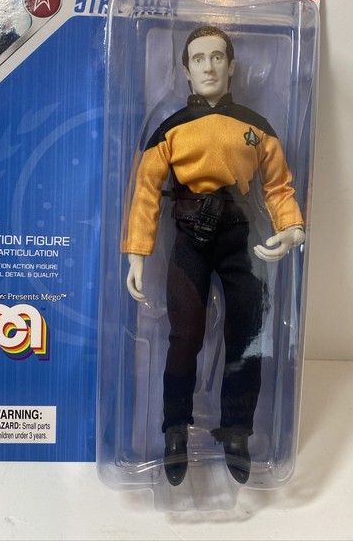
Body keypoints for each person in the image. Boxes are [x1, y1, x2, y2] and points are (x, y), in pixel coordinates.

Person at [121, 25, 305, 486]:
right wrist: (137, 253)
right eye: (198, 59)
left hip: (243, 239)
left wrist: (292, 227)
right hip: (190, 239)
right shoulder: (171, 129)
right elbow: (145, 192)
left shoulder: (255, 126)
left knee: (247, 336)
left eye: (217, 57)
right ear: (185, 70)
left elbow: (278, 186)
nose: (208, 67)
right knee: (185, 336)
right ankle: (175, 430)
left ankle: (237, 430)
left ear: (231, 66)